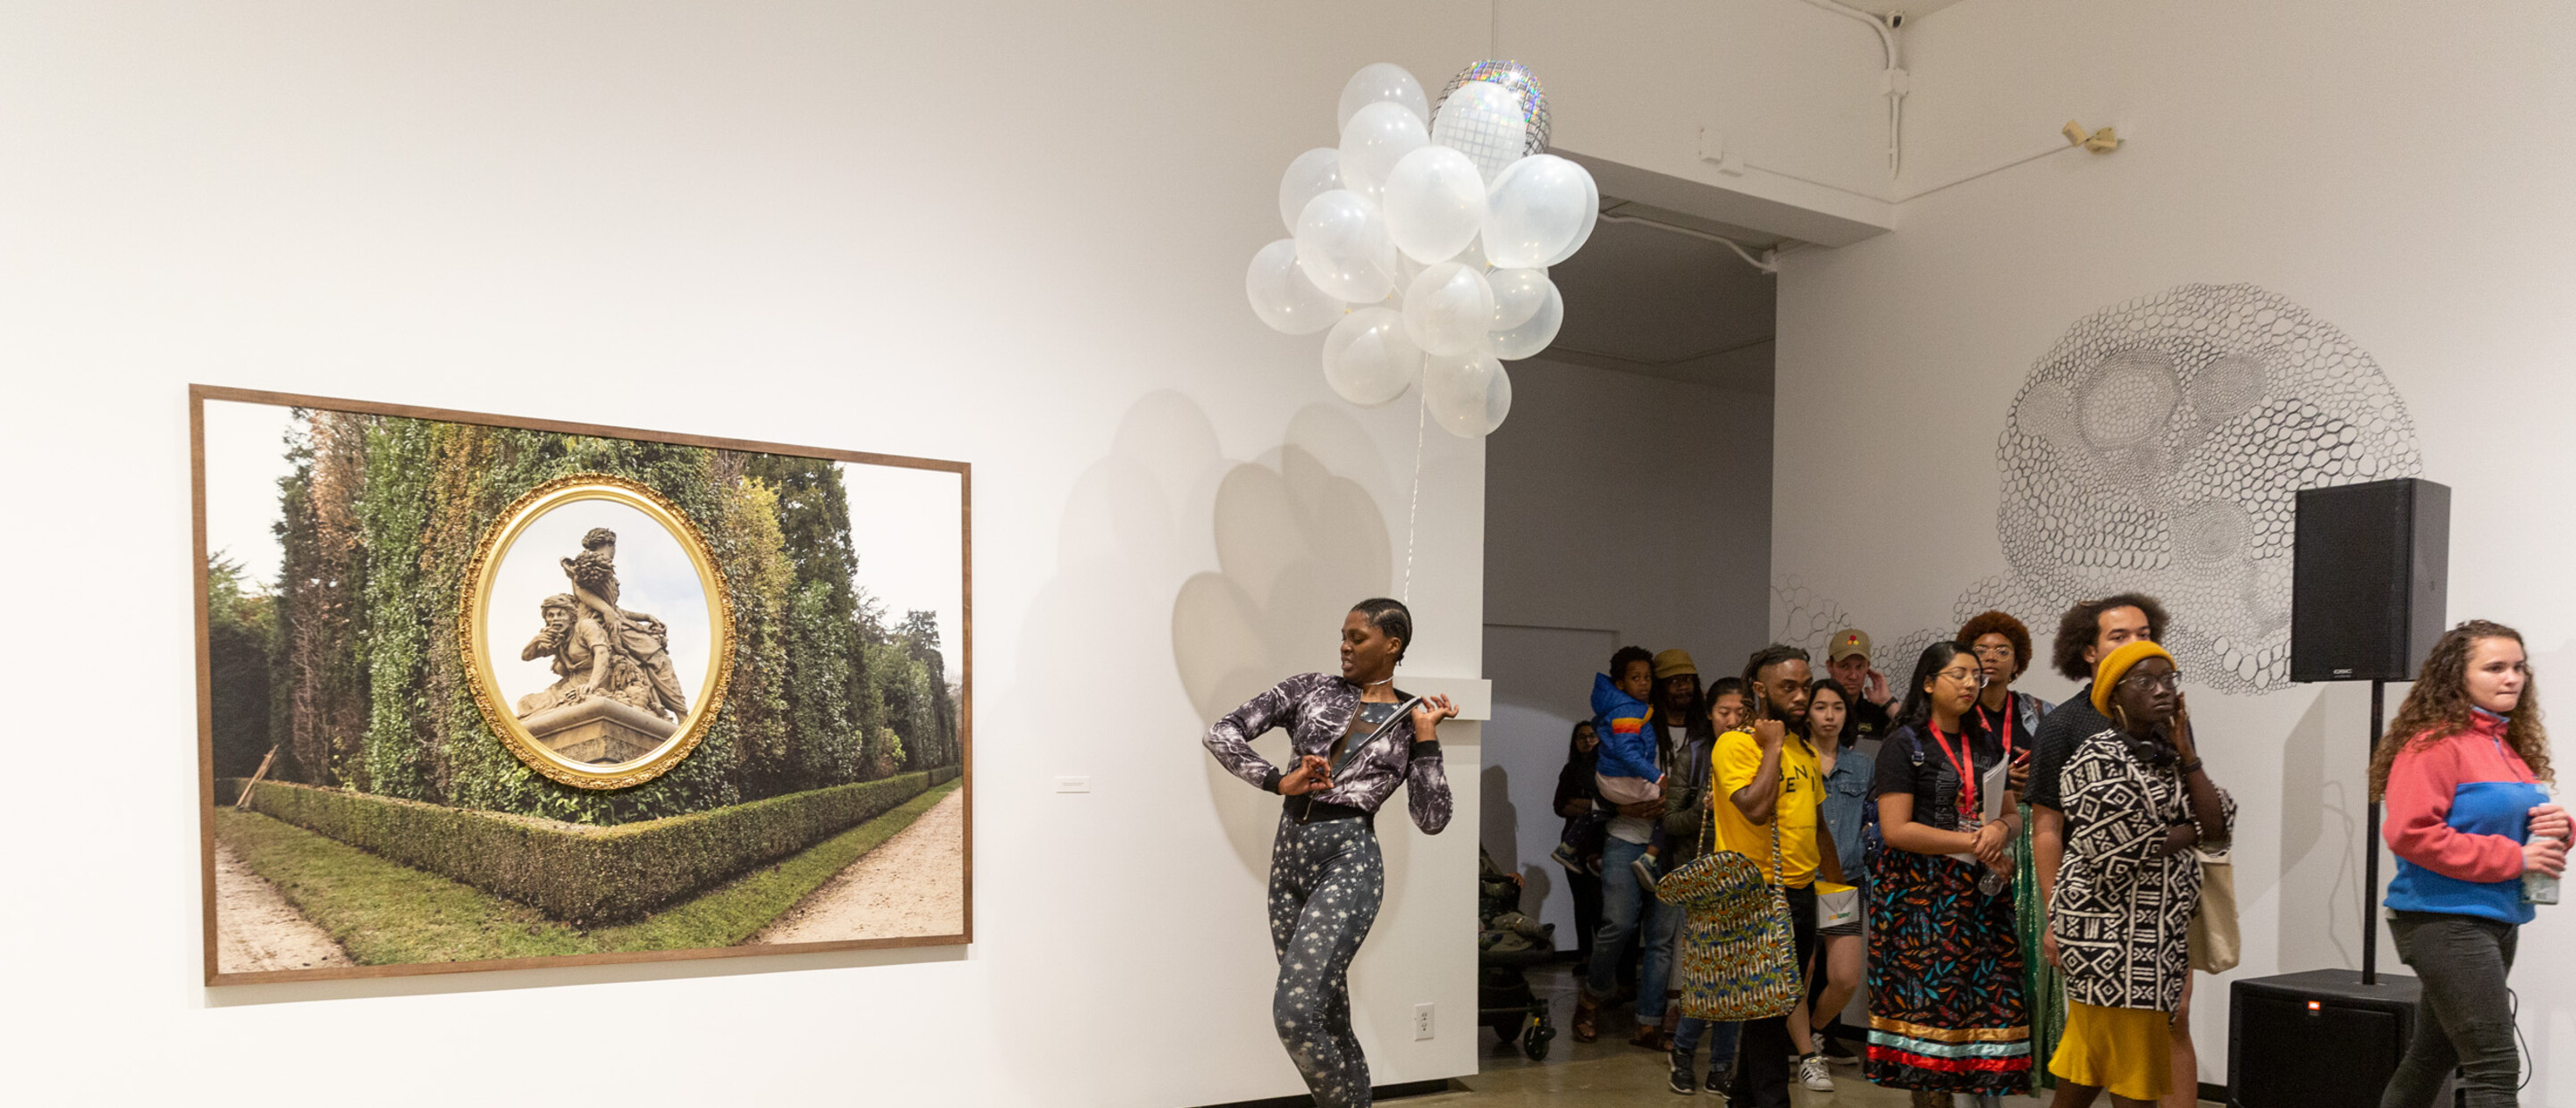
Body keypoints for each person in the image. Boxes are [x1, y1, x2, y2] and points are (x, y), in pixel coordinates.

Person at [1200, 598, 1458, 1108]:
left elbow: (1432, 819)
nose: (1344, 645)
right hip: (1288, 858)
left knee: (1295, 1016)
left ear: (1392, 645)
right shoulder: (1310, 688)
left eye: (1357, 638)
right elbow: (1221, 732)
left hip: (1348, 860)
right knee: (1327, 1016)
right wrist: (1278, 781)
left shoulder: (1412, 720)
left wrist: (1427, 741)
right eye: (1342, 634)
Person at [2371, 620, 2565, 1108]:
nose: (2513, 678)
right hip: (2444, 921)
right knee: (2495, 1067)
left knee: (2430, 1057)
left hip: (2496, 919)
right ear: (2457, 677)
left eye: (2519, 667)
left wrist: (2556, 831)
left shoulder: (2505, 746)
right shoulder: (2433, 744)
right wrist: (2515, 855)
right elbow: (2411, 834)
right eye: (2495, 667)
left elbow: (2503, 833)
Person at [2048, 641, 2233, 1108]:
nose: (2162, 691)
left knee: (2086, 1068)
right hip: (2109, 940)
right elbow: (2118, 850)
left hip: (2158, 942)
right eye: (2146, 681)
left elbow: (2220, 823)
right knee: (2136, 1078)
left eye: (2169, 680)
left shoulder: (2170, 757)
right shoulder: (2095, 758)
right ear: (2114, 696)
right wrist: (2186, 829)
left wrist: (2188, 754)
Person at [2025, 594, 2192, 1106]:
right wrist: (2054, 916)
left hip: (2164, 909)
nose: (2136, 644)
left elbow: (2201, 808)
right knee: (2108, 1046)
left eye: (2144, 634)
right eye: (2119, 637)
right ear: (2088, 652)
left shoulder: (2165, 716)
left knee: (2172, 1019)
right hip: (2103, 914)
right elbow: (2047, 829)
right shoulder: (2066, 727)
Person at [1866, 642, 2031, 1106]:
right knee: (1930, 1029)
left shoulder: (1986, 742)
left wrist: (1999, 829)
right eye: (1958, 674)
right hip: (1921, 901)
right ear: (1928, 682)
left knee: (1985, 1015)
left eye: (1976, 676)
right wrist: (1974, 842)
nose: (1970, 683)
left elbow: (2012, 816)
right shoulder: (1905, 743)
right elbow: (1896, 829)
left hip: (1980, 898)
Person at [1714, 644, 1844, 1108]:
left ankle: (1742, 1100)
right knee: (1770, 1005)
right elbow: (1754, 807)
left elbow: (1820, 827)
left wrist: (1838, 893)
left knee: (1771, 1006)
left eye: (1805, 686)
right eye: (1788, 686)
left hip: (1801, 891)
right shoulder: (1734, 744)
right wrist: (1769, 744)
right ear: (1759, 689)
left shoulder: (1803, 749)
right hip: (1753, 895)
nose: (1800, 696)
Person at [1959, 609, 2062, 1088]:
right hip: (1974, 842)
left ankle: (2032, 1058)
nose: (1992, 658)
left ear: (2018, 660)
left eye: (2003, 651)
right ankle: (1978, 1055)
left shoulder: (2041, 713)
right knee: (1979, 952)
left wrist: (2028, 780)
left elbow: (2063, 775)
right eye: (1982, 650)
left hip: (2029, 840)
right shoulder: (1956, 713)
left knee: (2033, 953)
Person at [1578, 646, 1681, 1048]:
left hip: (1667, 842)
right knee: (1617, 925)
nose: (1675, 687)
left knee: (1660, 939)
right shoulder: (1624, 714)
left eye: (1651, 678)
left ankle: (1648, 1023)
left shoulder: (1698, 732)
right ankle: (1590, 998)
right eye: (1641, 678)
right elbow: (1592, 773)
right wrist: (1624, 804)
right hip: (1623, 836)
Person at [1662, 676, 1740, 1095]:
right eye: (1723, 712)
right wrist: (1701, 807)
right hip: (1703, 876)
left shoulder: (1755, 754)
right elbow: (1671, 821)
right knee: (1709, 977)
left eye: (1739, 713)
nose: (1731, 720)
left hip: (1747, 877)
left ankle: (1722, 1067)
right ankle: (1685, 1053)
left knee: (1737, 978)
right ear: (1709, 714)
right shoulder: (1693, 756)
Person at [1801, 677, 1869, 1071]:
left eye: (1838, 708)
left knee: (1844, 978)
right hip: (1800, 880)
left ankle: (1810, 1033)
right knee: (1804, 969)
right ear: (1807, 714)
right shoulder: (1795, 759)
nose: (1829, 716)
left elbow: (1874, 820)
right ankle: (1802, 1051)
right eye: (1820, 707)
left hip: (1841, 885)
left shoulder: (1861, 765)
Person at [1551, 721, 1607, 965]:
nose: (1587, 740)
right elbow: (1560, 806)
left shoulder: (1606, 768)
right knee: (1581, 904)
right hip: (1572, 848)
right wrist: (1592, 806)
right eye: (1582, 737)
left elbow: (1607, 803)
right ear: (1575, 743)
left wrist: (1583, 804)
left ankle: (1603, 960)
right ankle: (1585, 956)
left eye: (1592, 736)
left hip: (1601, 843)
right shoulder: (1570, 769)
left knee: (1600, 905)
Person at [1825, 628, 1896, 744]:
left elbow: (1916, 744)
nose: (1853, 676)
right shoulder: (1815, 712)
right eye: (1845, 666)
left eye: (1859, 667)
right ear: (1830, 666)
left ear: (1868, 667)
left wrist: (1888, 702)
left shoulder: (1877, 715)